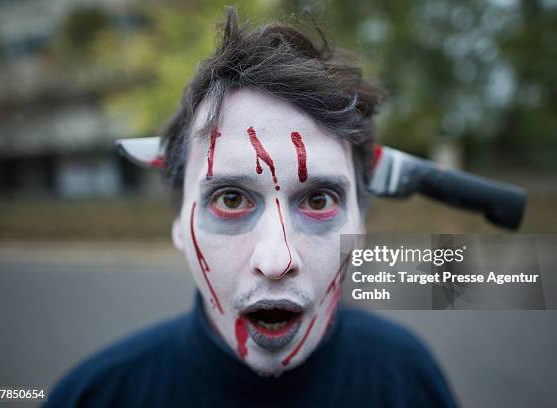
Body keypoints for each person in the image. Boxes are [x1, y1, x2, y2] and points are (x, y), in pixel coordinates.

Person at [46, 8, 457, 407]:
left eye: (318, 200)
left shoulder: (408, 377)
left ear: (360, 224)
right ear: (179, 223)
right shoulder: (94, 396)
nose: (277, 260)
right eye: (231, 198)